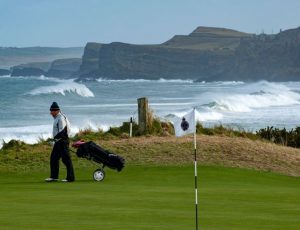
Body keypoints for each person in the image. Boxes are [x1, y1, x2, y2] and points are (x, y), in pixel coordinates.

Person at [45, 102, 75, 182]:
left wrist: (54, 140)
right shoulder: (58, 118)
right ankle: (54, 177)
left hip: (62, 141)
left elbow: (62, 132)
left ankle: (70, 178)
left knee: (66, 159)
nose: (50, 113)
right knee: (54, 158)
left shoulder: (61, 118)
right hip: (59, 142)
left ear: (56, 111)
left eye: (51, 111)